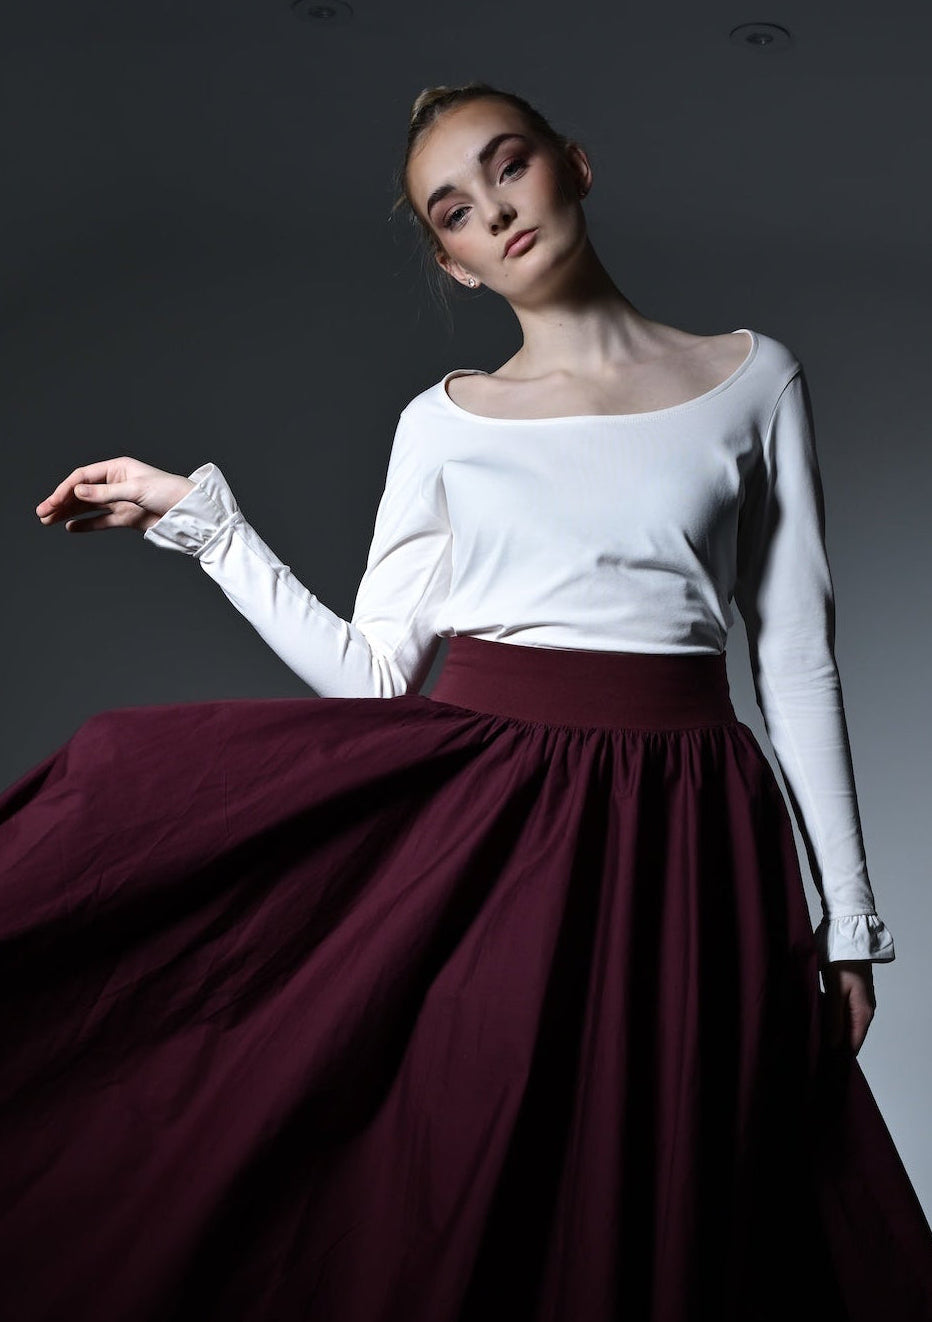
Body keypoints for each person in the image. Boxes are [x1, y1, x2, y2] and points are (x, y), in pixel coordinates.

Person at [3, 80, 932, 1321]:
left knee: (702, 1199)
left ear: (574, 165)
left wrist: (846, 921)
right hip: (505, 837)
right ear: (449, 260)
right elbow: (376, 675)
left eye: (509, 168)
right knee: (486, 1176)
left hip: (699, 830)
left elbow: (797, 658)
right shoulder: (442, 425)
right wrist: (204, 524)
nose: (494, 210)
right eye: (454, 208)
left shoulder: (753, 379)